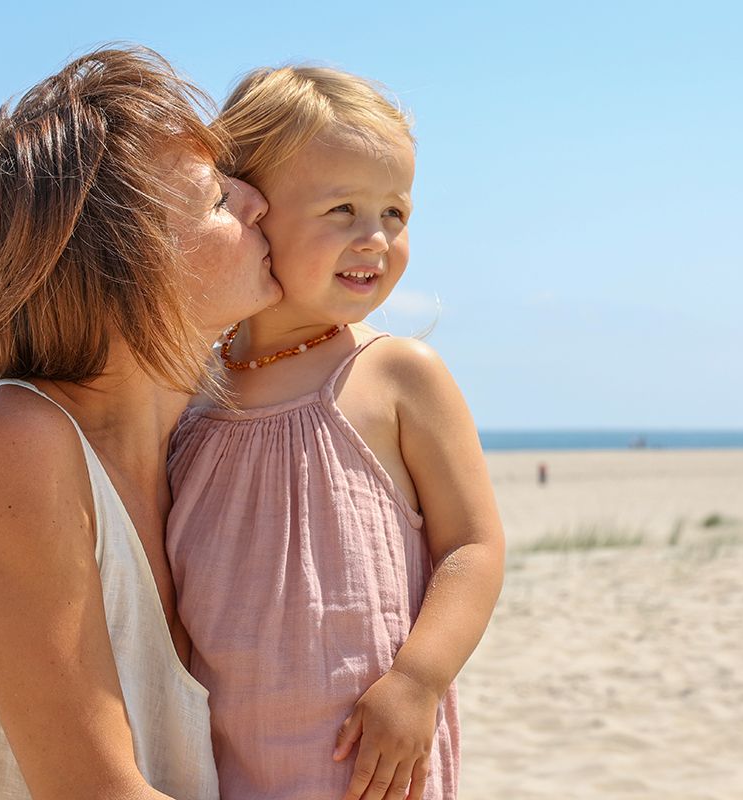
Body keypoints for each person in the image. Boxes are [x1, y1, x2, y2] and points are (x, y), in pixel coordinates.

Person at [0, 46, 281, 800]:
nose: (257, 200)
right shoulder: (13, 445)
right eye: (217, 200)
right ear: (131, 263)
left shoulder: (201, 445)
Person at [166, 66, 506, 800]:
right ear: (250, 213)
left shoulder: (395, 375)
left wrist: (418, 681)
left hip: (370, 748)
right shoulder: (190, 387)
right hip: (225, 752)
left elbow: (472, 547)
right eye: (343, 209)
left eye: (395, 213)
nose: (375, 238)